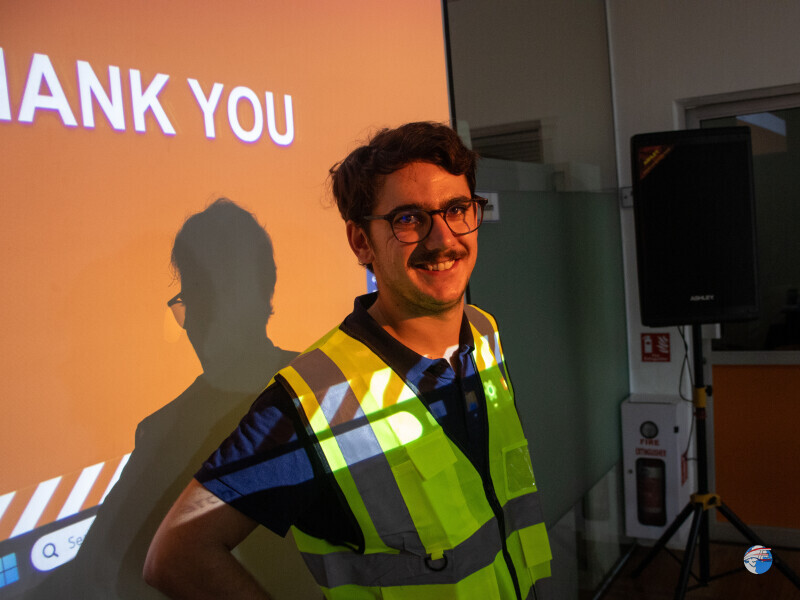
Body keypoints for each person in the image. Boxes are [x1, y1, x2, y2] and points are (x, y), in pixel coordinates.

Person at [144, 122, 551, 600]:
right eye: (408, 218)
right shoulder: (316, 398)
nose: (443, 238)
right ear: (361, 242)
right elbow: (176, 555)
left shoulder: (483, 330)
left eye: (457, 210)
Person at [30, 199, 303, 599]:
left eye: (216, 292)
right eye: (192, 299)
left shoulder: (319, 392)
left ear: (262, 294)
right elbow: (98, 566)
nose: (199, 321)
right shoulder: (159, 429)